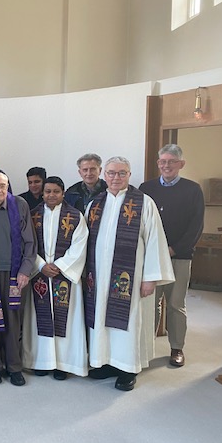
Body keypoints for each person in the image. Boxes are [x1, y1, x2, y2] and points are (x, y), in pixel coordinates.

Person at [85, 157, 174, 391]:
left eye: (121, 173)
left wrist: (150, 278)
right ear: (104, 175)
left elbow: (155, 241)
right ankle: (106, 362)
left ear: (129, 175)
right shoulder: (95, 204)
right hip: (98, 277)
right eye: (111, 173)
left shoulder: (144, 203)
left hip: (129, 280)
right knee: (101, 319)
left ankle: (127, 369)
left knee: (128, 322)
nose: (116, 178)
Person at [139, 144, 204, 367]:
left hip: (179, 257)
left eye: (172, 161)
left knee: (176, 304)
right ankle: (146, 346)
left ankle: (177, 348)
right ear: (158, 163)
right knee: (150, 304)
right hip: (151, 259)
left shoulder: (193, 190)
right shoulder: (146, 188)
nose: (166, 165)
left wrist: (173, 249)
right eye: (163, 161)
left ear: (181, 164)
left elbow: (196, 226)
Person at [22, 176, 89, 380]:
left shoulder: (75, 216)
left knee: (66, 321)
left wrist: (60, 266)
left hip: (64, 276)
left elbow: (79, 245)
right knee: (39, 319)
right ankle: (41, 362)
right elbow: (27, 244)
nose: (51, 195)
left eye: (56, 192)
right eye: (48, 191)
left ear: (63, 193)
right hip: (40, 275)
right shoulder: (32, 215)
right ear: (42, 194)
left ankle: (63, 364)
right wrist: (41, 265)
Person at [0, 172, 36, 386]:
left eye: (2, 185)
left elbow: (30, 241)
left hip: (15, 273)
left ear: (8, 186)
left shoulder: (19, 205)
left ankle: (14, 367)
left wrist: (25, 270)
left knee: (13, 320)